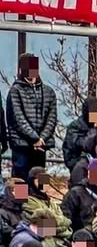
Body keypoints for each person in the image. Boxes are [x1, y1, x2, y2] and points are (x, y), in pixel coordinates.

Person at [6, 53, 57, 181]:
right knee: (21, 182)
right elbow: (18, 119)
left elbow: (52, 119)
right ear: (21, 70)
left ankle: (39, 195)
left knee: (41, 180)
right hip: (21, 146)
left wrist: (42, 139)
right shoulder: (15, 91)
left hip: (41, 146)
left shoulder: (49, 92)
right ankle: (20, 196)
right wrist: (35, 138)